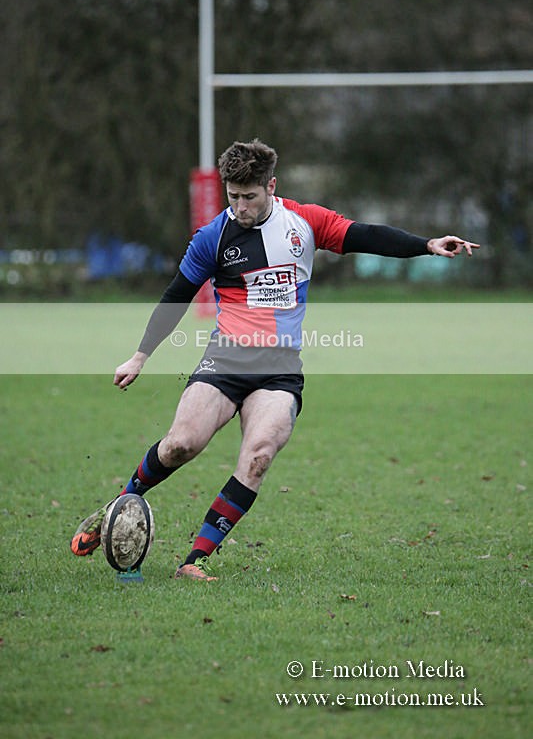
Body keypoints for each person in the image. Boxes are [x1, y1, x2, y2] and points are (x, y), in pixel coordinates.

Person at [71, 138, 479, 580]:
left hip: (279, 371)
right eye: (233, 196)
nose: (240, 206)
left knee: (259, 457)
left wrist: (427, 244)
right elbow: (176, 297)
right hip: (225, 361)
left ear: (271, 186)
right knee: (180, 445)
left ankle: (194, 561)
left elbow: (365, 235)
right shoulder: (213, 237)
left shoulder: (304, 221)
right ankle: (118, 504)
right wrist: (139, 356)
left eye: (249, 196)